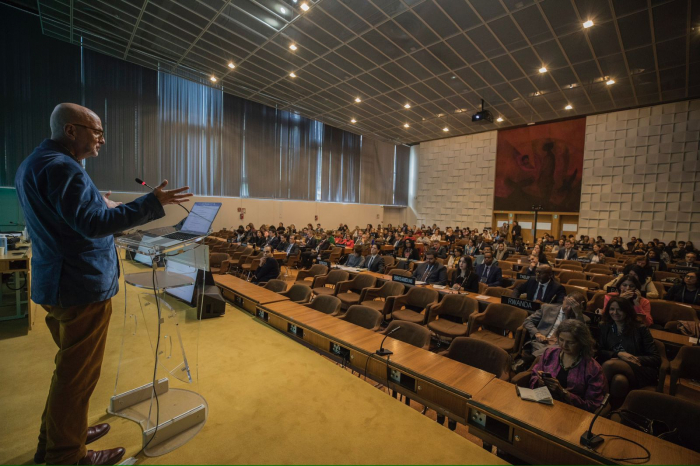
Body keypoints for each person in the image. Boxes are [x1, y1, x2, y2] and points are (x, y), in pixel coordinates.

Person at [14, 103, 192, 465]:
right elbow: (92, 225)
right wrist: (150, 203)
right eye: (96, 132)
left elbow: (72, 216)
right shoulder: (64, 167)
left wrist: (99, 200)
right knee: (76, 377)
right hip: (79, 286)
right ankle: (67, 455)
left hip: (58, 282)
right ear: (71, 131)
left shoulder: (36, 162)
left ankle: (61, 436)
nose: (103, 139)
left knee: (69, 371)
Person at [529, 319, 607, 412]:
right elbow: (533, 375)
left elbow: (592, 405)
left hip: (571, 412)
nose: (564, 345)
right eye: (561, 340)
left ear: (582, 342)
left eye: (571, 342)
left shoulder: (593, 369)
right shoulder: (549, 353)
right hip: (543, 403)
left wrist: (563, 392)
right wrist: (540, 381)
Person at [597, 297, 660, 392]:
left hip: (640, 368)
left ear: (627, 311)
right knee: (619, 380)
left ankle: (596, 397)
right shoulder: (605, 326)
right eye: (612, 309)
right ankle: (613, 404)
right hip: (614, 365)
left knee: (609, 365)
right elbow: (600, 351)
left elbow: (655, 358)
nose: (615, 313)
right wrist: (618, 354)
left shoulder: (640, 329)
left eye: (620, 309)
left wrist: (631, 358)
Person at [517, 292, 587, 370]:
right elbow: (527, 321)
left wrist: (577, 313)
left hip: (560, 348)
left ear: (580, 306)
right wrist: (537, 333)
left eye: (573, 306)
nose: (569, 308)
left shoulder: (582, 319)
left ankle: (528, 360)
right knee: (546, 355)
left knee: (556, 349)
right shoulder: (547, 308)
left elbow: (582, 334)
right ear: (564, 300)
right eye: (568, 304)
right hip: (540, 342)